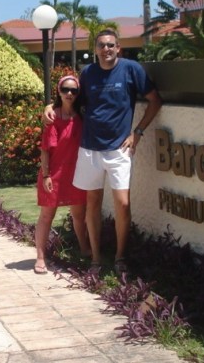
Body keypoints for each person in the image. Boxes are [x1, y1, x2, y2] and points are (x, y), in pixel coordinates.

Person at [44, 29, 162, 274]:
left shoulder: (131, 69)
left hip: (119, 150)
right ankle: (96, 259)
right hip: (90, 149)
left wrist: (137, 133)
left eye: (110, 45)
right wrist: (49, 106)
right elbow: (72, 99)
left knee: (123, 204)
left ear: (118, 48)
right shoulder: (88, 73)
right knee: (93, 204)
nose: (106, 49)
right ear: (95, 49)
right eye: (101, 45)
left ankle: (120, 257)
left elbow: (155, 100)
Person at [34, 76, 90, 274]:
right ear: (59, 91)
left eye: (74, 90)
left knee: (79, 215)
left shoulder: (82, 115)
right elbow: (45, 150)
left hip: (76, 174)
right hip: (54, 174)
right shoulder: (52, 118)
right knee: (46, 216)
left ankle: (85, 249)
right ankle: (40, 258)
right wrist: (46, 175)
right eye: (65, 89)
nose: (69, 93)